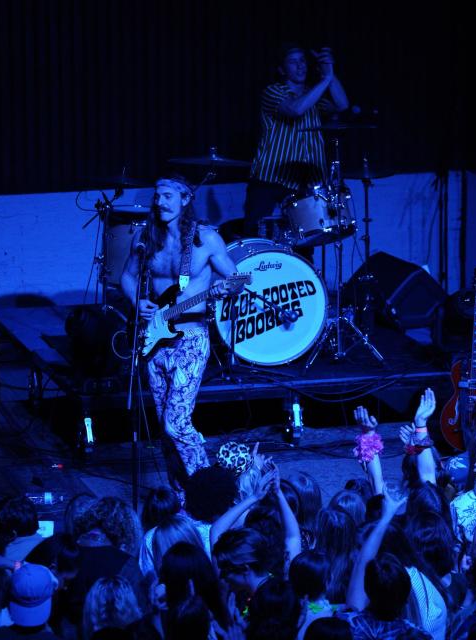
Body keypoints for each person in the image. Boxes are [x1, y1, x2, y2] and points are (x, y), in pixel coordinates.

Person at [121, 175, 240, 485]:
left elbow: (238, 279)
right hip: (155, 340)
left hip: (191, 337)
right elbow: (127, 277)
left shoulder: (206, 239)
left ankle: (208, 485)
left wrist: (222, 289)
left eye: (168, 196)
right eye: (157, 196)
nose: (160, 202)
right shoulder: (146, 238)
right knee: (165, 428)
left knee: (176, 423)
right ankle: (181, 495)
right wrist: (139, 302)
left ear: (185, 199)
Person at [244, 44, 349, 239]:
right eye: (293, 62)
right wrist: (325, 79)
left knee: (304, 243)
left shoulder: (314, 94)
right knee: (258, 238)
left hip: (304, 183)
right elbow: (295, 109)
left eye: (302, 61)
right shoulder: (273, 91)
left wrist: (330, 72)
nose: (300, 66)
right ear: (282, 70)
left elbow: (342, 105)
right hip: (271, 179)